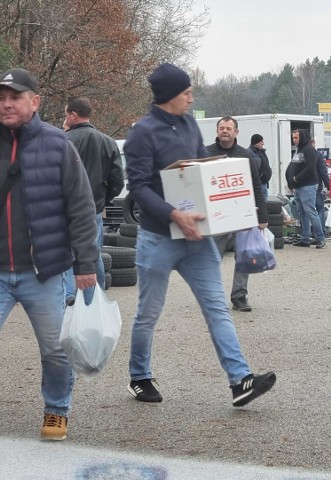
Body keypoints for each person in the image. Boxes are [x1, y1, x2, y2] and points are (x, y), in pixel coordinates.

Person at [124, 63, 276, 406]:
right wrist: (173, 213)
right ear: (168, 96)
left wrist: (230, 204)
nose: (191, 97)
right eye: (186, 92)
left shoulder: (189, 124)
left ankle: (240, 381)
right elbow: (139, 188)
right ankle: (139, 376)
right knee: (149, 312)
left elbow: (201, 167)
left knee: (217, 308)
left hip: (197, 237)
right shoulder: (142, 134)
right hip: (158, 237)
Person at [0, 67, 98, 441]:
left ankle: (56, 410)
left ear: (35, 101)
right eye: (1, 98)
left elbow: (81, 207)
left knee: (55, 351)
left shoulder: (58, 144)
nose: (7, 104)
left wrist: (86, 264)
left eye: (15, 97)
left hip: (42, 272)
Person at [61, 96, 124, 305]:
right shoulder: (108, 142)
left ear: (73, 114)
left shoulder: (64, 141)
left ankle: (69, 298)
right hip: (93, 209)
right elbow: (117, 181)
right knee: (93, 254)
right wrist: (102, 200)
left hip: (66, 208)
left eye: (65, 113)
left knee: (67, 254)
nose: (65, 117)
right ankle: (95, 300)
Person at [206, 116, 268, 313]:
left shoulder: (245, 155)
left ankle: (239, 296)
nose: (225, 131)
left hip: (242, 216)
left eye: (229, 128)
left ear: (236, 132)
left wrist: (263, 217)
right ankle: (212, 297)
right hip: (216, 217)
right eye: (222, 128)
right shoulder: (205, 153)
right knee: (212, 259)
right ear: (217, 131)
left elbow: (257, 186)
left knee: (243, 256)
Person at [287, 129, 326, 248]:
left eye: (296, 138)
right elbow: (293, 166)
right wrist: (291, 182)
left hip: (307, 186)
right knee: (302, 213)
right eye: (293, 138)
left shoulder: (309, 150)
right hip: (298, 187)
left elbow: (310, 168)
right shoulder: (299, 150)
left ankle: (320, 238)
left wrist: (296, 178)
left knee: (310, 212)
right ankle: (305, 238)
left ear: (302, 137)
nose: (294, 140)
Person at [248, 134, 272, 201]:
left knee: (264, 206)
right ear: (255, 142)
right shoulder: (249, 153)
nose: (263, 143)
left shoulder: (261, 151)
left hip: (264, 184)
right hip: (258, 185)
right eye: (261, 141)